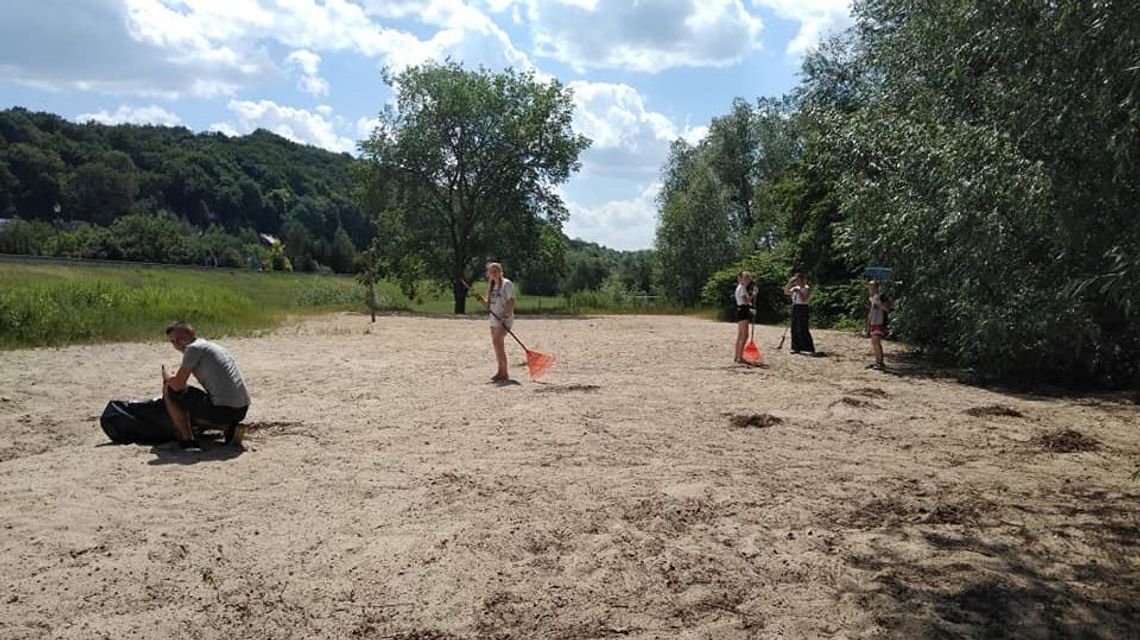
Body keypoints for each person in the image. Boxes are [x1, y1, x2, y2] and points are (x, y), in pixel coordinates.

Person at [162, 321, 251, 448]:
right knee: (190, 400)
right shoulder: (210, 346)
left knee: (169, 389)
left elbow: (177, 385)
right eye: (173, 342)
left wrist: (166, 375)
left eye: (180, 339)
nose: (177, 344)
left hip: (224, 410)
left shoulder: (193, 349)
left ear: (192, 333)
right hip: (242, 409)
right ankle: (230, 427)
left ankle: (187, 441)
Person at [473, 262, 515, 382]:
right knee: (497, 346)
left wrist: (505, 316)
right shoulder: (492, 286)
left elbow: (511, 301)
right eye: (491, 271)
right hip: (493, 319)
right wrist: (480, 299)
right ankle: (500, 371)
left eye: (496, 271)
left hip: (504, 319)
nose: (493, 273)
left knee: (497, 342)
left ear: (501, 272)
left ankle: (505, 373)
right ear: (488, 274)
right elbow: (488, 305)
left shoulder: (507, 284)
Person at [783, 273, 815, 354]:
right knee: (794, 328)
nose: (797, 282)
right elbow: (786, 292)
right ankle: (796, 347)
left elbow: (804, 299)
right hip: (796, 307)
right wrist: (789, 283)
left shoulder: (807, 288)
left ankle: (809, 348)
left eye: (798, 280)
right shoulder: (795, 288)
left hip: (803, 307)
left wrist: (799, 292)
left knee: (803, 328)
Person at [866, 280, 892, 370]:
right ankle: (878, 361)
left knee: (876, 341)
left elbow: (888, 309)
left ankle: (880, 363)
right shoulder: (872, 299)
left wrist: (879, 304)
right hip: (874, 322)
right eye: (869, 287)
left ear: (876, 288)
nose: (870, 289)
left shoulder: (882, 297)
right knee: (874, 343)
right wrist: (868, 324)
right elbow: (870, 312)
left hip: (880, 322)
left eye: (872, 287)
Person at [733, 271, 755, 364]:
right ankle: (740, 357)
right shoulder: (741, 288)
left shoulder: (741, 288)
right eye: (745, 278)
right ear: (740, 278)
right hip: (743, 311)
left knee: (740, 335)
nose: (747, 280)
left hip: (742, 310)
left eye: (748, 278)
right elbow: (745, 301)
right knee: (744, 335)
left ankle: (737, 356)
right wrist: (754, 295)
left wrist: (750, 309)